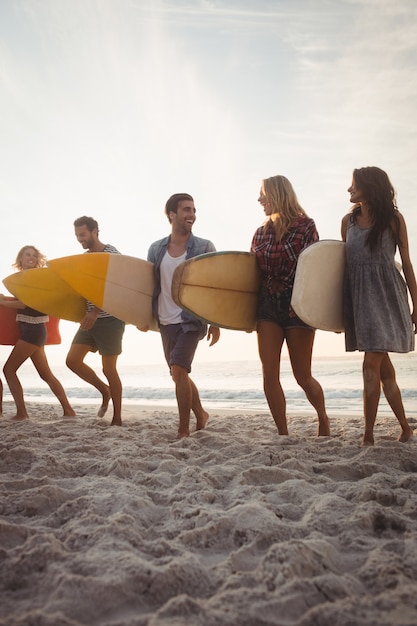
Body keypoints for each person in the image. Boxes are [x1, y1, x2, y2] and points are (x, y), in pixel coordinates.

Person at [342, 166, 416, 446]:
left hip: (388, 297)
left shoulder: (394, 220)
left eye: (354, 185)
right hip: (360, 300)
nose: (349, 190)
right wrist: (338, 312)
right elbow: (343, 268)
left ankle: (368, 436)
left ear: (369, 187)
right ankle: (406, 429)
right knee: (385, 371)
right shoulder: (347, 222)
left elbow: (406, 264)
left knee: (370, 363)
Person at [250, 175, 330, 436]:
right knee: (269, 374)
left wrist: (324, 310)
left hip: (298, 305)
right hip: (268, 306)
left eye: (264, 194)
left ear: (278, 194)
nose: (260, 199)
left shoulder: (306, 226)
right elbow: (251, 273)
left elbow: (315, 268)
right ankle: (283, 432)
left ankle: (323, 418)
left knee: (302, 375)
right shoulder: (260, 233)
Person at [146, 193, 220, 439]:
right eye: (186, 210)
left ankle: (183, 429)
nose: (192, 215)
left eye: (193, 210)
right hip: (166, 321)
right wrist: (143, 318)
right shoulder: (156, 249)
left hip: (191, 320)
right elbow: (149, 285)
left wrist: (216, 321)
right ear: (171, 214)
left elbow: (214, 286)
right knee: (179, 374)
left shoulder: (204, 247)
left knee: (178, 369)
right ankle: (200, 413)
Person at [0, 245, 76, 420]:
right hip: (33, 330)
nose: (31, 258)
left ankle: (22, 413)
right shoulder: (22, 279)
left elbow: (23, 304)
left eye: (34, 255)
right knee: (45, 374)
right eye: (27, 255)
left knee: (9, 370)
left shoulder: (35, 279)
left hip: (33, 331)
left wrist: (3, 303)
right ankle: (68, 410)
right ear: (20, 258)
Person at [65, 217, 125, 426]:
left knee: (109, 369)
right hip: (90, 320)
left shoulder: (111, 253)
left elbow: (116, 287)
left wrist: (97, 310)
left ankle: (117, 417)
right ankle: (104, 391)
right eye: (77, 236)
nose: (79, 239)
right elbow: (83, 290)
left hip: (110, 320)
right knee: (72, 361)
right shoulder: (84, 258)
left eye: (82, 235)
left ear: (94, 232)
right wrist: (81, 312)